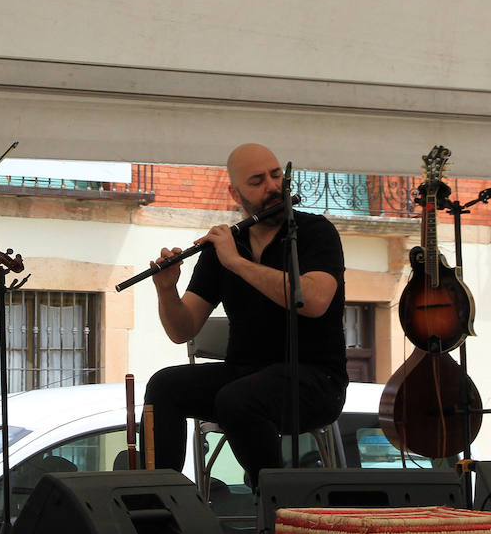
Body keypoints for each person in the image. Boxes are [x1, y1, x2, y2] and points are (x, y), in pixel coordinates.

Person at [143, 143, 348, 483]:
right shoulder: (223, 247)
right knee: (164, 386)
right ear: (234, 192)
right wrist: (167, 290)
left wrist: (237, 264)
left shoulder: (314, 232)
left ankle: (272, 498)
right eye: (257, 181)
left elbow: (312, 300)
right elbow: (183, 329)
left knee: (238, 399)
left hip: (315, 380)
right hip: (244, 375)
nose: (272, 187)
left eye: (276, 175)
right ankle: (159, 500)